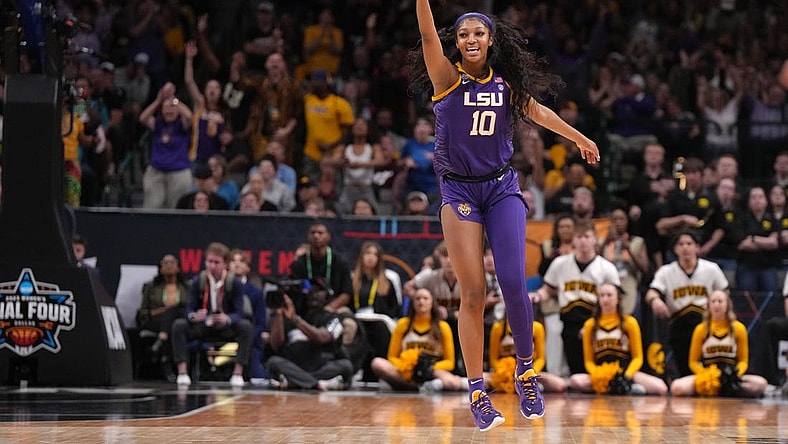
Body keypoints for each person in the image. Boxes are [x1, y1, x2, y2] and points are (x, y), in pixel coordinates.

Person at [412, 3, 599, 430]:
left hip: (501, 187)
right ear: (455, 44)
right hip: (458, 190)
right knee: (473, 293)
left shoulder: (504, 85)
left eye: (478, 34)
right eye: (463, 36)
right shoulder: (446, 79)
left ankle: (526, 371)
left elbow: (541, 113)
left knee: (515, 283)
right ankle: (477, 390)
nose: (471, 40)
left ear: (491, 40)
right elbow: (426, 37)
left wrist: (580, 138)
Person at [530, 220, 620, 377]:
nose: (583, 241)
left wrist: (597, 323)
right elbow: (548, 289)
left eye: (587, 236)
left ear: (594, 239)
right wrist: (537, 295)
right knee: (574, 371)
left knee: (594, 371)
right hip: (569, 320)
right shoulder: (560, 264)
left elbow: (615, 299)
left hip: (595, 322)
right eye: (579, 237)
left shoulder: (606, 267)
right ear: (573, 240)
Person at [644, 230, 729, 378]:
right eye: (681, 244)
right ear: (675, 249)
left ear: (697, 247)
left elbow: (724, 293)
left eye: (689, 243)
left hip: (706, 324)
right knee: (685, 371)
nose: (685, 248)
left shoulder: (711, 269)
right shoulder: (666, 271)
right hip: (679, 326)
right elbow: (651, 292)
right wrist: (655, 300)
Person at [170, 242, 254, 387]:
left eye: (217, 262)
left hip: (225, 327)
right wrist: (194, 316)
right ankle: (182, 372)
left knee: (246, 327)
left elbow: (239, 312)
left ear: (225, 264)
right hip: (203, 325)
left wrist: (227, 318)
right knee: (179, 325)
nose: (212, 266)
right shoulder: (198, 281)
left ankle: (238, 373)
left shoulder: (233, 283)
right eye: (209, 261)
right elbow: (189, 308)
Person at [568, 283, 668, 396]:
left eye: (609, 295)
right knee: (575, 380)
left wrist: (626, 376)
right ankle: (621, 388)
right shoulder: (590, 325)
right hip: (601, 373)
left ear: (618, 299)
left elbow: (638, 358)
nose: (605, 299)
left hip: (626, 372)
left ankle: (626, 386)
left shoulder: (629, 323)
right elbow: (588, 361)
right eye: (601, 295)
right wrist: (598, 375)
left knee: (661, 387)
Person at [670, 290, 768, 398]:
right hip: (707, 377)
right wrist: (706, 375)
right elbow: (693, 362)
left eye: (720, 301)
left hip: (731, 377)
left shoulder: (739, 328)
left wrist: (734, 375)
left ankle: (729, 389)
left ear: (727, 305)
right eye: (713, 301)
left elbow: (743, 361)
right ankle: (711, 390)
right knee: (677, 387)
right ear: (708, 306)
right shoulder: (701, 329)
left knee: (761, 384)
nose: (716, 305)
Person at [369, 288, 467, 393]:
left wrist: (429, 368)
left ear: (432, 303)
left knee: (452, 383)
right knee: (377, 363)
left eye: (425, 298)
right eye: (417, 298)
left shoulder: (443, 327)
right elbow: (392, 357)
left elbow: (450, 362)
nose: (421, 301)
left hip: (432, 371)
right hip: (406, 370)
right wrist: (407, 366)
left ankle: (417, 385)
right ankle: (423, 387)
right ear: (412, 303)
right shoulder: (403, 324)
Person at [265, 282, 354, 391]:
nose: (313, 294)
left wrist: (296, 320)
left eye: (318, 291)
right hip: (295, 365)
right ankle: (317, 384)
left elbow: (321, 338)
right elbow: (276, 345)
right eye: (311, 290)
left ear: (327, 295)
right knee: (273, 362)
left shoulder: (333, 317)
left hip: (321, 366)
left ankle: (296, 382)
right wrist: (278, 314)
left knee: (346, 366)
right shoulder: (289, 313)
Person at [136, 254, 189, 379]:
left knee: (174, 318)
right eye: (165, 263)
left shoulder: (187, 286)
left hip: (178, 321)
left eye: (172, 262)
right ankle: (167, 362)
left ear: (179, 267)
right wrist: (157, 312)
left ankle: (162, 346)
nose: (169, 265)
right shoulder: (151, 286)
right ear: (160, 268)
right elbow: (143, 312)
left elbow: (188, 308)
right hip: (155, 320)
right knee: (172, 323)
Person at [488, 315, 567, 394]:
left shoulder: (537, 328)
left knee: (560, 384)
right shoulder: (498, 328)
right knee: (483, 379)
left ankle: (531, 384)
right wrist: (504, 372)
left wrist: (530, 372)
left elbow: (541, 359)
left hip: (529, 370)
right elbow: (493, 359)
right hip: (504, 372)